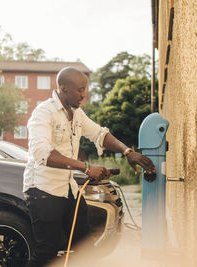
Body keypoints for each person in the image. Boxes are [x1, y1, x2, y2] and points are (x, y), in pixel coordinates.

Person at [23, 67, 156, 266]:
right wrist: (86, 168)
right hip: (43, 191)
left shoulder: (77, 115)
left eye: (85, 89)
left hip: (69, 191)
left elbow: (100, 134)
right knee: (47, 252)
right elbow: (43, 154)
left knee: (84, 247)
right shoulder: (43, 113)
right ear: (63, 88)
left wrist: (127, 152)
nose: (84, 95)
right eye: (80, 90)